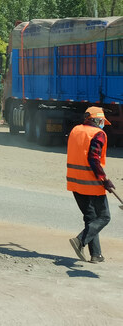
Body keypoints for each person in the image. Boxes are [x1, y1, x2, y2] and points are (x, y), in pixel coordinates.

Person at [67, 107, 114, 263]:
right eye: (102, 121)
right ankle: (80, 240)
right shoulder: (98, 134)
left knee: (91, 218)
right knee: (104, 217)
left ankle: (96, 255)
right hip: (92, 184)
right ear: (96, 120)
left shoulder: (75, 130)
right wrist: (104, 179)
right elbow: (93, 158)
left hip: (74, 182)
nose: (103, 124)